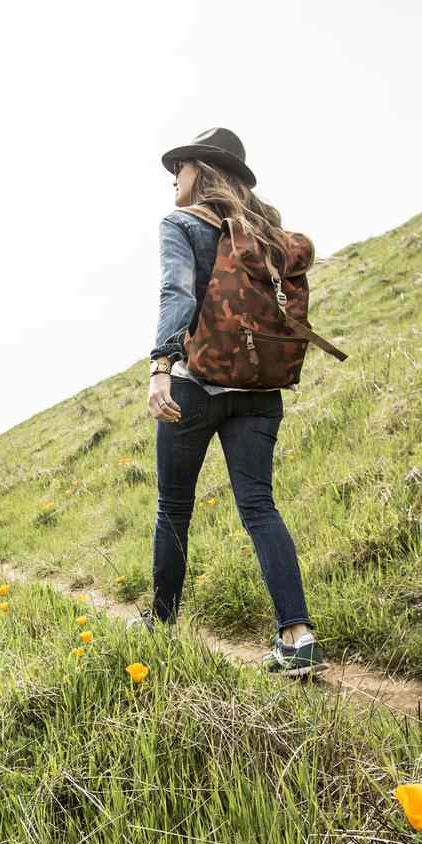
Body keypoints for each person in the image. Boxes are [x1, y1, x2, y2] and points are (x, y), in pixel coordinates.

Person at [128, 127, 326, 679]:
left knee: (174, 507)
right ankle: (298, 636)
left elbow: (178, 294)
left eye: (182, 166)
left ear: (204, 172)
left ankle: (162, 624)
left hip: (195, 383)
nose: (174, 177)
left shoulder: (182, 224)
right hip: (260, 393)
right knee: (259, 508)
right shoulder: (268, 235)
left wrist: (161, 368)